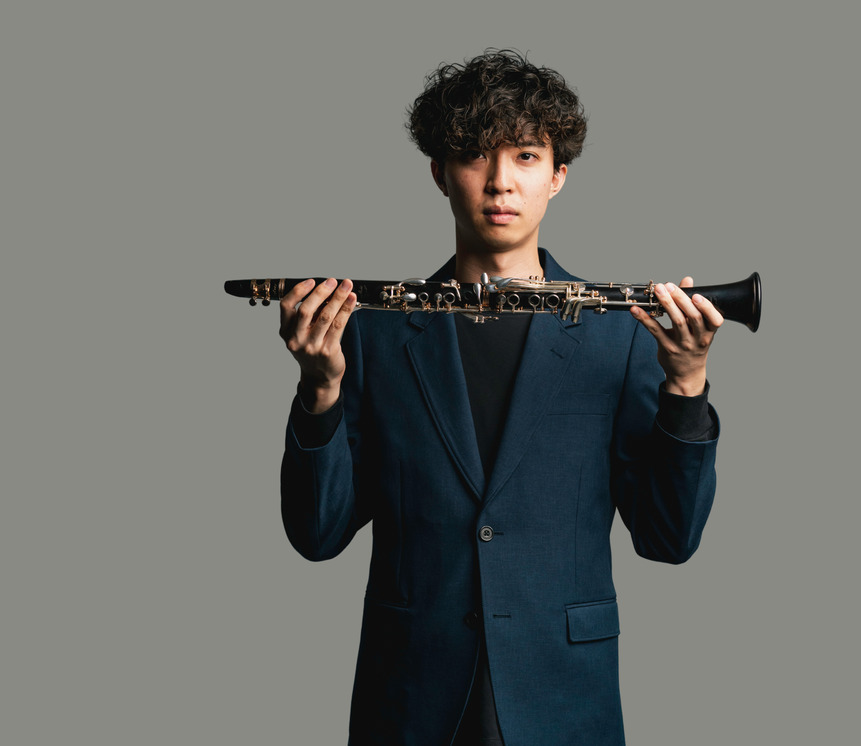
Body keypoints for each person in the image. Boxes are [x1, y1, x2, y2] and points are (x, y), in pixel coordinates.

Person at [277, 49, 724, 746]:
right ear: (438, 173)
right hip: (410, 701)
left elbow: (669, 539)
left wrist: (687, 385)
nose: (499, 182)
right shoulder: (371, 333)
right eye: (473, 156)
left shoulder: (621, 335)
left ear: (558, 176)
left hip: (563, 699)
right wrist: (320, 389)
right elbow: (317, 534)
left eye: (525, 156)